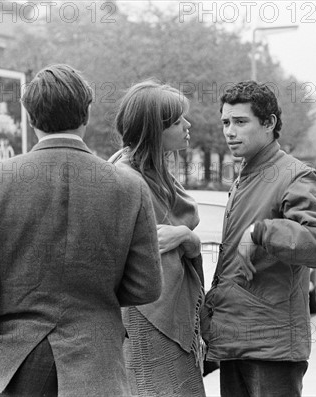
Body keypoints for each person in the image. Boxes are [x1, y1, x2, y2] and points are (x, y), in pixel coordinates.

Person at [0, 64, 162, 396]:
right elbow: (146, 286)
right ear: (86, 114)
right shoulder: (129, 187)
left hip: (10, 366)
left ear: (30, 118)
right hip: (98, 367)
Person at [202, 81, 316, 397]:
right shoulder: (246, 176)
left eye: (241, 122)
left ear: (269, 123)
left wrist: (263, 232)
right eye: (225, 122)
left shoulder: (294, 175)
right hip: (237, 339)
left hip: (272, 348)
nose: (230, 132)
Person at [109, 80, 206, 397]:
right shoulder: (126, 179)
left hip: (170, 316)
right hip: (145, 319)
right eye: (178, 121)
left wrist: (184, 237)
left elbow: (181, 241)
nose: (187, 126)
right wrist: (185, 238)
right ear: (154, 130)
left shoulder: (157, 173)